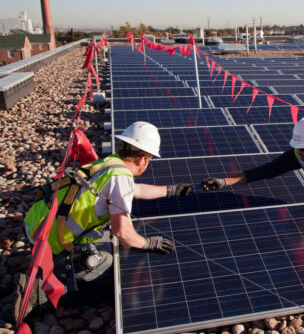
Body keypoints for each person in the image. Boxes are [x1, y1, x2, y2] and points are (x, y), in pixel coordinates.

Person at [15, 121, 192, 318]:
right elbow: (122, 231)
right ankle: (39, 294)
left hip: (38, 222)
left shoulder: (109, 164)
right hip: (50, 243)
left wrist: (169, 190)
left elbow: (136, 190)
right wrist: (147, 243)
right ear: (143, 159)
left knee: (110, 248)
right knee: (115, 280)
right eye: (149, 159)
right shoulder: (120, 178)